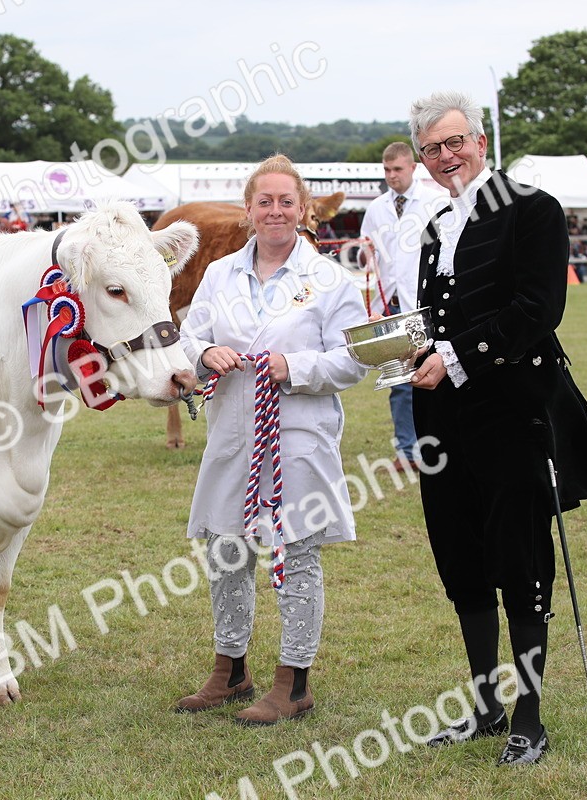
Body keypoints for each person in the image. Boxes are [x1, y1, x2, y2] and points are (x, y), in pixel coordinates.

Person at [406, 90, 587, 765]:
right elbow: (436, 321)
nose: (446, 156)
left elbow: (538, 309)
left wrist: (455, 358)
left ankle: (530, 716)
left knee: (519, 560)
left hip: (512, 413)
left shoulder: (531, 209)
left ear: (482, 141)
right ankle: (485, 707)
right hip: (445, 418)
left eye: (455, 141)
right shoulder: (436, 228)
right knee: (461, 559)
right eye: (432, 148)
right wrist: (408, 351)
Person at [175, 154, 369, 725]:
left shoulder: (331, 280)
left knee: (295, 553)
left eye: (287, 201)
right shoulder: (220, 275)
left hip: (298, 437)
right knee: (226, 548)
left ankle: (295, 679)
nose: (276, 211)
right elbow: (188, 336)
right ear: (249, 210)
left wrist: (294, 367)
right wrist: (205, 354)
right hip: (233, 432)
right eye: (266, 201)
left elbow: (352, 360)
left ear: (304, 209)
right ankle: (230, 668)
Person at [360, 141, 443, 471]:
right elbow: (367, 252)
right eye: (386, 170)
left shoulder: (434, 202)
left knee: (432, 373)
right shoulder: (376, 208)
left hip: (423, 304)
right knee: (399, 380)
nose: (391, 176)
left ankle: (432, 443)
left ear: (413, 168)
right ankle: (407, 450)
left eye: (397, 169)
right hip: (390, 305)